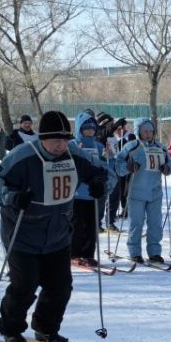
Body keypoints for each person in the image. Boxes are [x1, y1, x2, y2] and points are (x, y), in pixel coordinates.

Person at [0, 111, 106, 342]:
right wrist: (13, 197)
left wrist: (99, 184)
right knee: (25, 285)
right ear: (43, 138)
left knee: (60, 286)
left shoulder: (75, 155)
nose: (61, 145)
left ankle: (46, 328)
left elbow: (102, 172)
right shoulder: (23, 157)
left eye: (65, 139)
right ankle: (10, 329)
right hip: (22, 233)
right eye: (55, 140)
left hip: (58, 234)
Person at [114, 118, 171, 263]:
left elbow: (169, 164)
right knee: (136, 223)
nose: (148, 134)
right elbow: (118, 163)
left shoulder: (161, 147)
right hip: (136, 193)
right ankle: (135, 252)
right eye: (145, 131)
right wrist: (128, 167)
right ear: (139, 131)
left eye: (150, 131)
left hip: (155, 193)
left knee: (155, 224)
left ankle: (154, 252)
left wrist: (166, 169)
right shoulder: (132, 147)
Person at [70, 110, 112, 266]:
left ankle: (88, 254)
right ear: (79, 129)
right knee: (77, 225)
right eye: (86, 127)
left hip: (93, 192)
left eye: (92, 127)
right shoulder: (73, 145)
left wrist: (109, 156)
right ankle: (74, 253)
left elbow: (105, 166)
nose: (90, 130)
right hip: (77, 192)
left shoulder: (99, 145)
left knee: (92, 224)